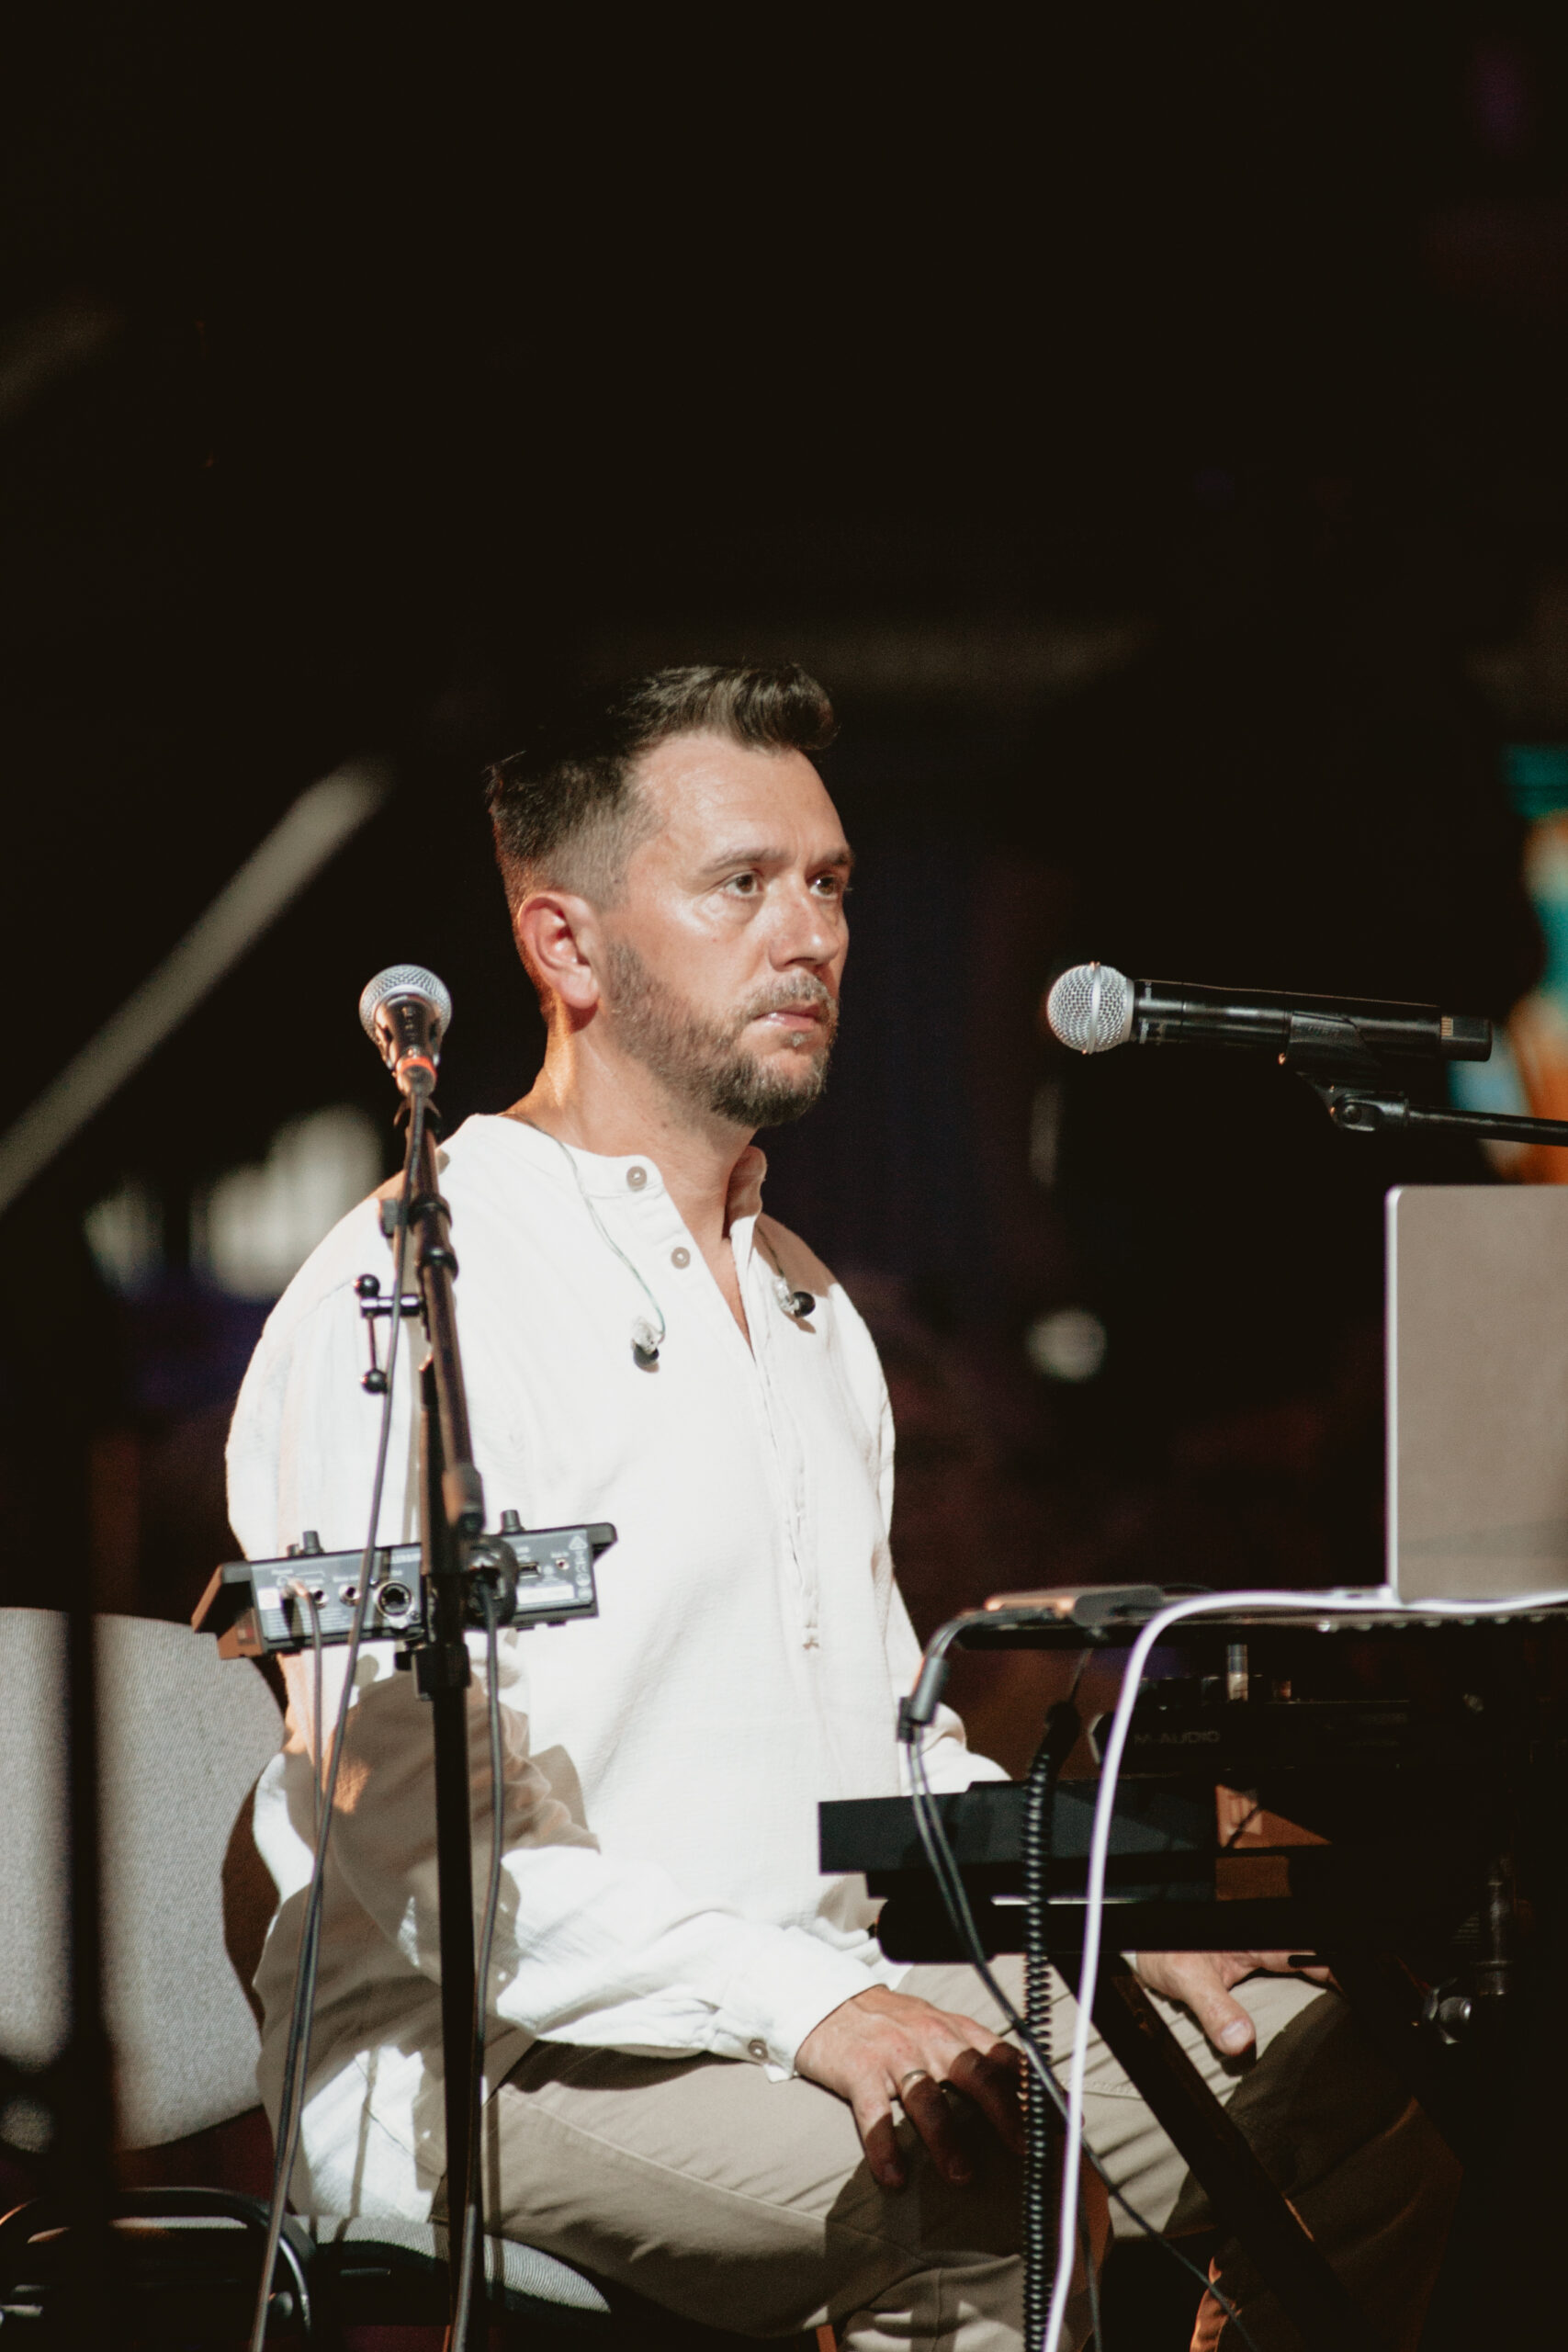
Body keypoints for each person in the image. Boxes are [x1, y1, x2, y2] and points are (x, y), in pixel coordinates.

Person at [228, 664, 1455, 2350]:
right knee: (980, 2169)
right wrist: (813, 2004)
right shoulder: (410, 1294)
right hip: (490, 2051)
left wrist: (1101, 1909)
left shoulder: (806, 1299)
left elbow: (878, 1754)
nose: (808, 935)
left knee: (1359, 2087)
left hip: (809, 1991)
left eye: (830, 883)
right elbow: (426, 1856)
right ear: (565, 944)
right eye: (740, 884)